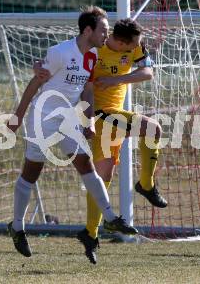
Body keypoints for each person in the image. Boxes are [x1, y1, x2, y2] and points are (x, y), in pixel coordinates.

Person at [7, 6, 138, 259]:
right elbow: (36, 82)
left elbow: (87, 91)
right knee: (31, 173)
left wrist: (88, 120)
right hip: (43, 117)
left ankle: (110, 217)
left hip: (68, 118)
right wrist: (17, 116)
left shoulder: (91, 56)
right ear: (88, 30)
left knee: (86, 165)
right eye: (103, 30)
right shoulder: (60, 52)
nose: (106, 35)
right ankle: (17, 226)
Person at [35, 18, 168, 264]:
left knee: (102, 178)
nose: (137, 48)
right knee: (152, 129)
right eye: (132, 46)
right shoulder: (96, 51)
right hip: (96, 114)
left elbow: (148, 73)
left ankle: (90, 232)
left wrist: (115, 80)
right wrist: (39, 67)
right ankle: (146, 185)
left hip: (114, 117)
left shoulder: (135, 46)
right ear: (119, 41)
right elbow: (72, 73)